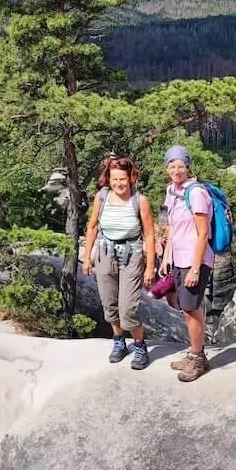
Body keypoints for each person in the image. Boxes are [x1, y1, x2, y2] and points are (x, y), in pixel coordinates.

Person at [83, 155, 156, 370]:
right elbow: (92, 227)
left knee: (128, 309)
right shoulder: (102, 197)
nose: (118, 184)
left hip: (131, 254)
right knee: (109, 303)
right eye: (114, 180)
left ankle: (140, 345)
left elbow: (150, 235)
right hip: (105, 253)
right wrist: (87, 257)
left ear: (131, 178)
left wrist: (150, 266)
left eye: (122, 179)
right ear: (108, 179)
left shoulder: (139, 201)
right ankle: (119, 342)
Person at [160, 145, 213, 382]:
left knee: (190, 309)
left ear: (188, 166)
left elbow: (203, 234)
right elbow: (172, 226)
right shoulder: (171, 190)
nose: (176, 169)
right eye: (172, 165)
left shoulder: (197, 193)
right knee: (188, 308)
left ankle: (197, 358)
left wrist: (194, 267)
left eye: (180, 165)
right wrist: (167, 256)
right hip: (179, 258)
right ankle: (195, 354)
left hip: (195, 260)